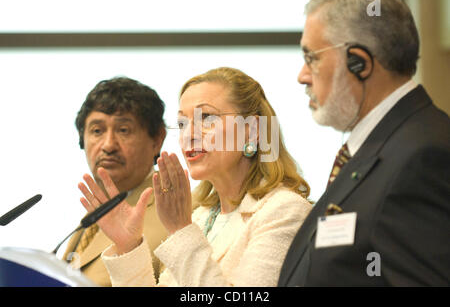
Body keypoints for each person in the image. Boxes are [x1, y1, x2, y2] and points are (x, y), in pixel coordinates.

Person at [77, 67, 313, 286]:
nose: (189, 134)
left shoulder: (285, 212)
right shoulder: (200, 217)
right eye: (182, 123)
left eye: (207, 118)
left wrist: (181, 231)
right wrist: (128, 246)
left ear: (251, 130)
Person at [278, 0, 450, 286]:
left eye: (311, 57)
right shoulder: (382, 144)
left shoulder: (423, 156)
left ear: (359, 63)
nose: (302, 75)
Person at [62, 77, 169, 286]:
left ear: (157, 140)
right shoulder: (96, 213)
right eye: (97, 131)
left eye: (123, 130)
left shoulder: (177, 214)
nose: (109, 145)